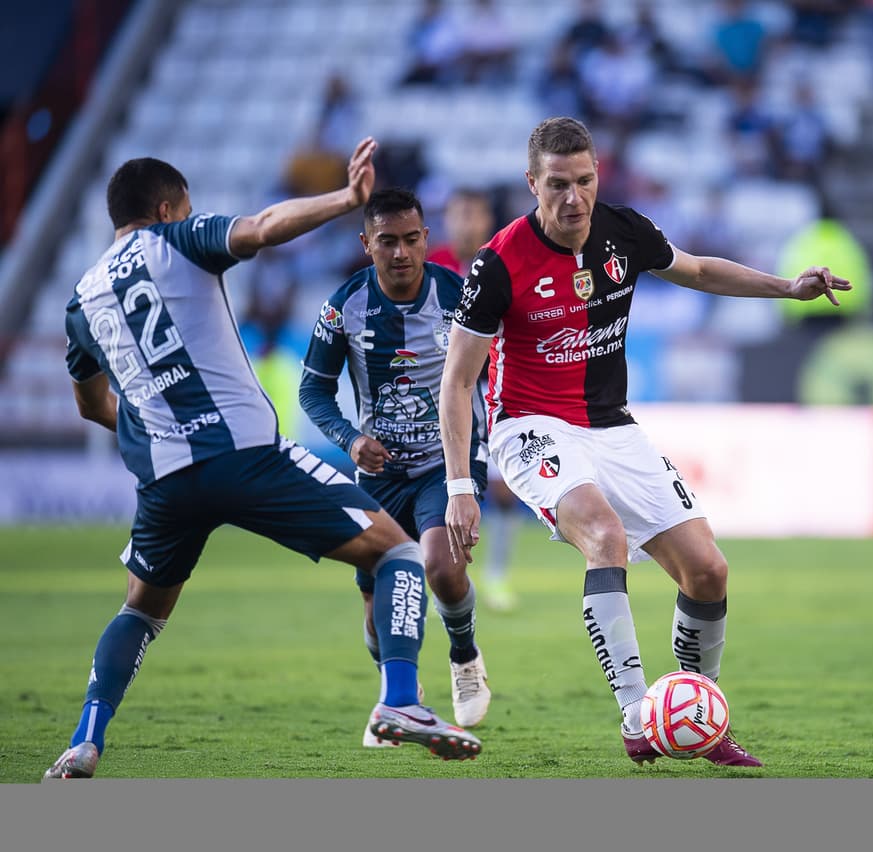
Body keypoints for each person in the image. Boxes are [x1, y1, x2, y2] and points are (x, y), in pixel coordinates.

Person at [45, 139, 481, 780]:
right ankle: (401, 702)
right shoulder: (179, 239)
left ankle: (85, 738)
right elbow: (262, 228)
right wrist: (345, 198)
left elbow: (92, 405)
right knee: (397, 552)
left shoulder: (81, 301)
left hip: (165, 480)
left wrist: (160, 425)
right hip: (247, 456)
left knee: (139, 609)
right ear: (169, 208)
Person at [437, 117, 850, 767]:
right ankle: (637, 715)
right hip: (531, 426)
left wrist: (787, 286)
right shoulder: (498, 264)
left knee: (709, 570)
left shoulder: (623, 232)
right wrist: (462, 486)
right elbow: (457, 382)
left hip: (613, 424)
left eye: (584, 181)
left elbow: (701, 271)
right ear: (531, 184)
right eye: (557, 185)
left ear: (597, 174)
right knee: (603, 535)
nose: (573, 199)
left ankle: (697, 716)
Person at [299, 188, 495, 747]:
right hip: (379, 476)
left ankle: (464, 655)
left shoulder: (458, 296)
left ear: (426, 239)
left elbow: (494, 370)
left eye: (412, 239)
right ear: (367, 244)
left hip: (445, 463)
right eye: (388, 241)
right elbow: (313, 392)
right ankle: (397, 698)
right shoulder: (343, 308)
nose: (402, 252)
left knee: (439, 564)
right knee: (374, 604)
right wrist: (349, 438)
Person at [427, 188, 524, 612]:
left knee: (502, 490)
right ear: (447, 220)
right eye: (458, 213)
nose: (466, 222)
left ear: (486, 219)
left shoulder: (501, 261)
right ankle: (441, 575)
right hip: (444, 390)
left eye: (474, 213)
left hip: (493, 390)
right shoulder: (430, 267)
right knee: (439, 485)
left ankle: (497, 575)